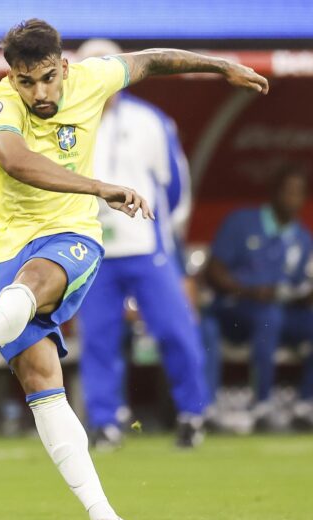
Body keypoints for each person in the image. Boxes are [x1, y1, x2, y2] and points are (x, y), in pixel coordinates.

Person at [0, 19, 268, 520]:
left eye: (45, 79)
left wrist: (219, 65)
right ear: (10, 76)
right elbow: (16, 160)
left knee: (36, 288)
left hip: (73, 238)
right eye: (25, 81)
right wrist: (100, 185)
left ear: (64, 67)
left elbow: (151, 59)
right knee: (42, 382)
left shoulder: (93, 81)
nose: (38, 93)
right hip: (8, 248)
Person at [74, 39, 209, 449]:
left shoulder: (151, 121)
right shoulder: (68, 123)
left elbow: (175, 187)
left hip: (147, 244)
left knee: (174, 329)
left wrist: (165, 231)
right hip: (94, 247)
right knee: (97, 337)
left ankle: (192, 414)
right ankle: (105, 421)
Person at [202, 164, 313, 431]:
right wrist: (251, 291)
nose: (292, 200)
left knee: (284, 317)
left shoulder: (302, 238)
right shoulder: (241, 221)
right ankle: (261, 405)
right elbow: (214, 271)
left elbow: (300, 285)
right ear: (274, 193)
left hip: (281, 313)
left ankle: (305, 406)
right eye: (287, 192)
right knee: (268, 316)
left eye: (299, 194)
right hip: (235, 308)